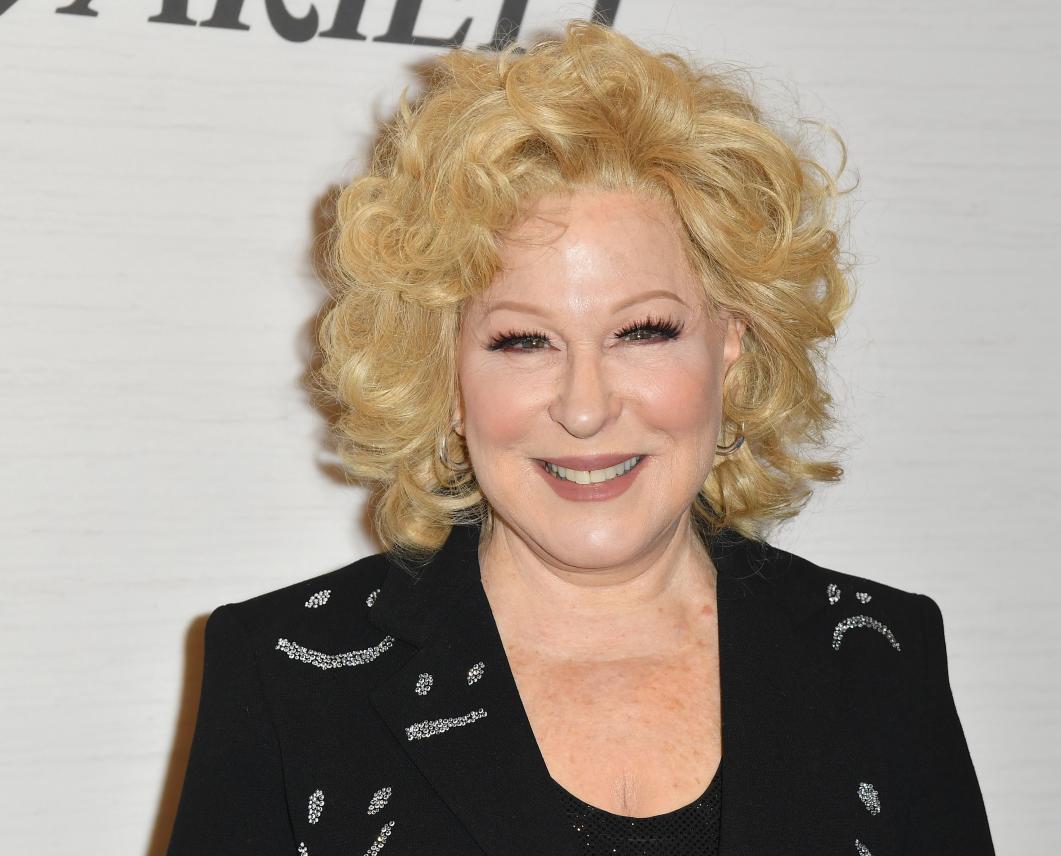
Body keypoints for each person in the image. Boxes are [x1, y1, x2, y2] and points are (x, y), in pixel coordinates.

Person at [166, 18, 996, 856]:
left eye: (643, 332)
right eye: (523, 342)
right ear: (446, 376)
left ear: (731, 343)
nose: (586, 408)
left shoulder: (878, 655)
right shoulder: (290, 675)